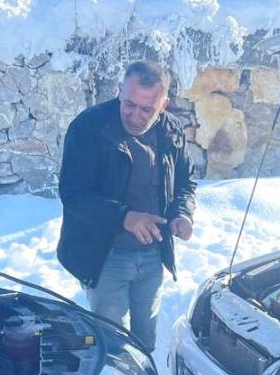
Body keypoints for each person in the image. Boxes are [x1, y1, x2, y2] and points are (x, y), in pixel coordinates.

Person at [56, 60, 197, 353]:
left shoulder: (170, 130)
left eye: (147, 109)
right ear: (119, 90)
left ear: (164, 104)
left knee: (145, 337)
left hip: (153, 253)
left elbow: (185, 182)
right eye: (129, 104)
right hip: (105, 254)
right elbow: (73, 193)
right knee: (110, 342)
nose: (135, 116)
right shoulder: (89, 127)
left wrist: (182, 213)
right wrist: (124, 217)